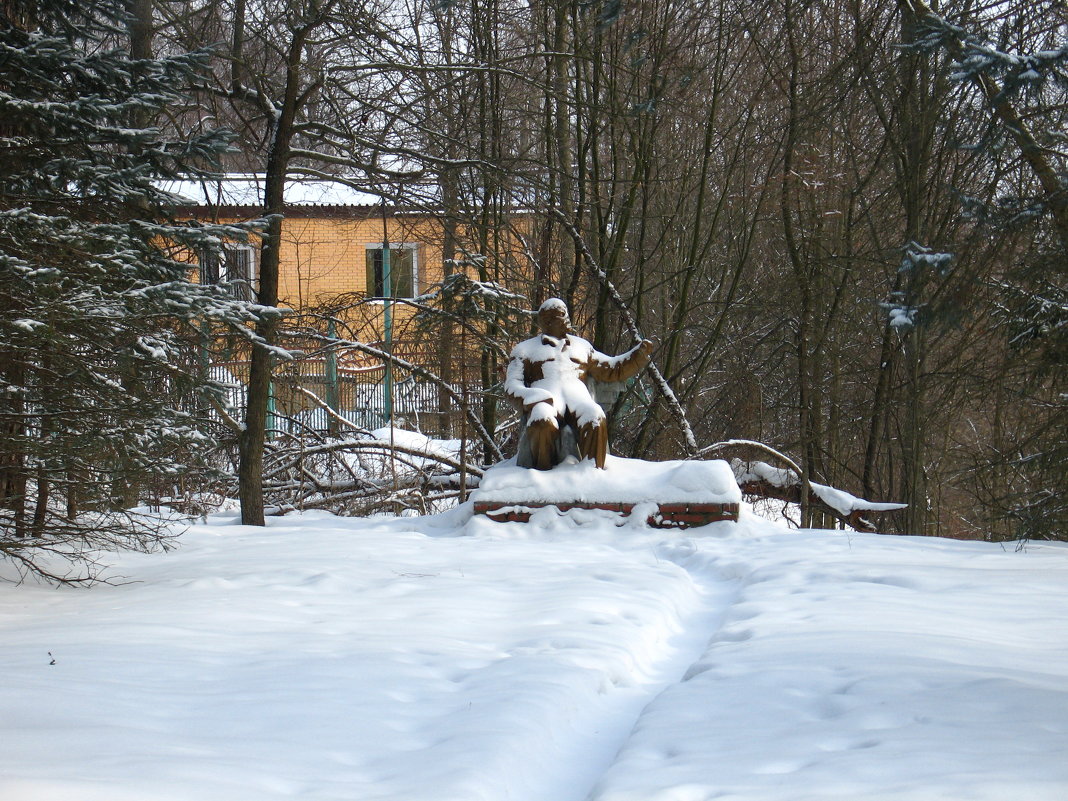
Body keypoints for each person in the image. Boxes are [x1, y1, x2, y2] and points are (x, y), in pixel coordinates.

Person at [504, 298, 653, 470]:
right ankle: (541, 477)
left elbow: (611, 369)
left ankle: (593, 473)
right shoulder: (524, 350)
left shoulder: (582, 346)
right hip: (546, 398)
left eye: (566, 314)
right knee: (541, 421)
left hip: (577, 397)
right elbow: (511, 386)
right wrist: (531, 397)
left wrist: (638, 356)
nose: (567, 319)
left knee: (595, 417)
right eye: (562, 316)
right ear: (547, 321)